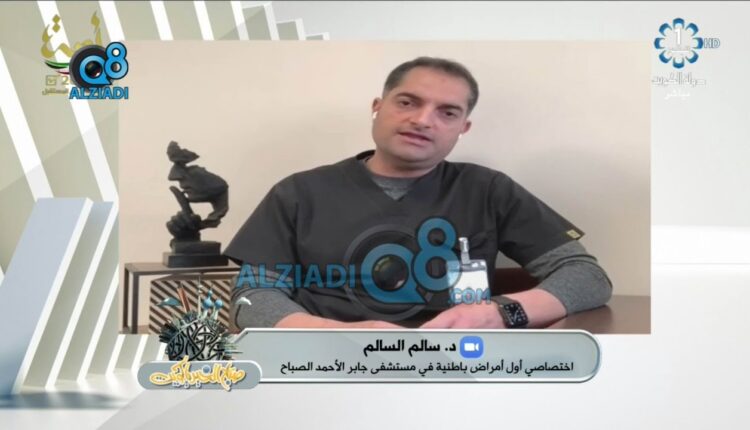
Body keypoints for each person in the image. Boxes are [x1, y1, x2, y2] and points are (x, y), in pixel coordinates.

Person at [225, 57, 612, 330]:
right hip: (327, 363)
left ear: (463, 127)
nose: (423, 120)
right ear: (378, 108)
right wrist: (333, 333)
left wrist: (500, 313)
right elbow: (252, 295)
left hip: (458, 363)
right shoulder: (299, 193)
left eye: (447, 112)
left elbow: (587, 277)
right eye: (408, 102)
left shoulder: (488, 190)